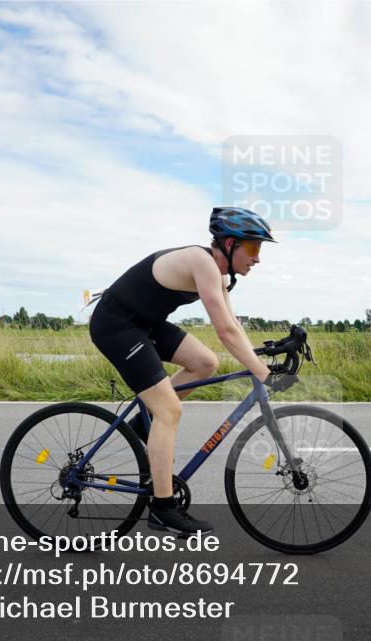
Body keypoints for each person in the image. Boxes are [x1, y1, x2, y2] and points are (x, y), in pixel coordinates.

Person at [88, 207, 276, 534]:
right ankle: (162, 508)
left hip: (144, 324)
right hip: (115, 324)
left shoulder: (219, 276)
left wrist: (261, 360)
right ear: (230, 244)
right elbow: (224, 333)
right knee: (170, 410)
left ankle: (144, 425)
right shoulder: (202, 262)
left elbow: (234, 325)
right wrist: (260, 371)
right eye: (254, 248)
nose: (258, 258)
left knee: (205, 363)